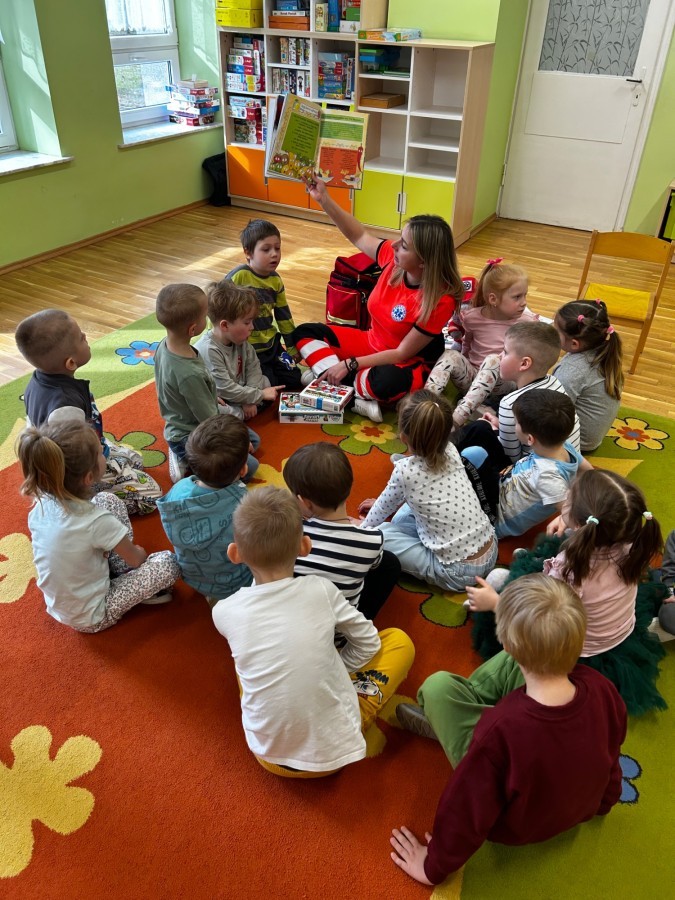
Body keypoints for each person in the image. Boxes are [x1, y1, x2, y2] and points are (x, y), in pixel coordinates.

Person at [390, 575, 627, 886]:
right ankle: (464, 707)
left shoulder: (501, 731)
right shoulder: (604, 689)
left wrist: (433, 866)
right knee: (524, 658)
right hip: (576, 804)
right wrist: (604, 802)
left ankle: (450, 720)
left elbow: (466, 808)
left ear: (508, 644)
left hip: (515, 824)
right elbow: (611, 755)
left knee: (437, 688)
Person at [212, 486, 415, 777]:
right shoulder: (321, 589)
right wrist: (337, 669)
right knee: (399, 642)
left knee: (248, 656)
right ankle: (359, 711)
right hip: (334, 754)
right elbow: (369, 643)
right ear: (305, 546)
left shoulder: (223, 611)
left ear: (235, 553)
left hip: (266, 753)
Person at [467, 468, 667, 715]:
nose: (565, 498)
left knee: (499, 579)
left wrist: (495, 603)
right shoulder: (629, 543)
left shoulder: (567, 570)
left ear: (583, 523)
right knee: (552, 551)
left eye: (568, 497)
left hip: (573, 648)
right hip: (616, 636)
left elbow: (542, 617)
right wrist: (569, 522)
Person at [294, 177, 464, 423]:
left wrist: (350, 364)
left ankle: (331, 379)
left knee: (387, 382)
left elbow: (401, 353)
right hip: (369, 342)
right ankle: (352, 393)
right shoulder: (393, 261)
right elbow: (359, 235)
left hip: (402, 362)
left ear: (424, 261)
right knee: (305, 332)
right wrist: (324, 200)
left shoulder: (441, 299)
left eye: (404, 245)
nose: (394, 245)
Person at [17, 420, 180, 632]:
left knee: (107, 499)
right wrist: (137, 554)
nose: (105, 453)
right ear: (88, 477)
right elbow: (137, 558)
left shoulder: (40, 504)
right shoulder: (95, 520)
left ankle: (119, 569)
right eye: (100, 452)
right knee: (169, 564)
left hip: (63, 604)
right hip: (94, 614)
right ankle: (127, 578)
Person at [15, 309, 161, 515]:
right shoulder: (65, 409)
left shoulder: (40, 379)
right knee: (152, 495)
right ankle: (85, 504)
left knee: (136, 460)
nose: (86, 336)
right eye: (81, 338)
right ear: (71, 362)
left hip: (91, 447)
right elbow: (73, 462)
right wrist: (95, 469)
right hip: (77, 471)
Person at [359, 390, 497, 591]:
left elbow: (379, 512)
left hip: (458, 572)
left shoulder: (405, 472)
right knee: (401, 517)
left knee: (378, 535)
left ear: (403, 437)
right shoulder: (451, 449)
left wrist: (361, 531)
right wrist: (384, 504)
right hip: (490, 547)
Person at [153, 283, 261, 483]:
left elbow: (177, 387)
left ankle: (189, 454)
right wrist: (234, 442)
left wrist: (209, 395)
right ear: (193, 329)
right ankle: (183, 454)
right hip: (191, 432)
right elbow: (210, 421)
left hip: (197, 416)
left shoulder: (166, 345)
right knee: (248, 467)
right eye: (205, 316)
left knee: (253, 440)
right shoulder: (188, 373)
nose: (209, 319)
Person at [283, 442, 401, 620]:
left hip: (295, 622)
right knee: (390, 563)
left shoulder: (288, 532)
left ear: (305, 502)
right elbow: (374, 565)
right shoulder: (373, 540)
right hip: (342, 630)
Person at [426, 259, 538, 427]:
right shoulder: (472, 317)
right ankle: (424, 404)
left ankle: (456, 420)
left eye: (524, 295)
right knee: (450, 354)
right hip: (473, 379)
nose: (524, 302)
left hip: (504, 382)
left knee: (493, 360)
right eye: (517, 297)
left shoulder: (527, 323)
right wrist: (462, 362)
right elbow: (467, 344)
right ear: (493, 299)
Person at [156, 414, 253, 607]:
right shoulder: (246, 504)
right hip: (236, 585)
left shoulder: (178, 490)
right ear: (243, 470)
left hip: (194, 578)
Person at [462, 389, 587, 538]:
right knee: (482, 430)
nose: (513, 425)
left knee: (472, 454)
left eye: (515, 423)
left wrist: (565, 519)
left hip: (494, 517)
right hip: (504, 482)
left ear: (530, 439)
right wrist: (500, 427)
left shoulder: (548, 478)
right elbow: (591, 473)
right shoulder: (564, 446)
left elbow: (573, 517)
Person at [457, 321, 581, 468]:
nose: (499, 356)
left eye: (505, 352)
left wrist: (495, 430)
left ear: (524, 364)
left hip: (533, 474)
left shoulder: (510, 404)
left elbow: (512, 458)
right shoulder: (555, 382)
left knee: (480, 428)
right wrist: (502, 426)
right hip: (568, 468)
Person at [195, 280, 283, 474]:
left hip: (240, 392)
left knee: (266, 381)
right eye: (247, 322)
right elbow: (224, 388)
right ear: (225, 325)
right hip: (221, 397)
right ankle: (241, 415)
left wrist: (252, 395)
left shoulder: (241, 340)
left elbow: (254, 367)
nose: (252, 327)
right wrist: (258, 396)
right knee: (218, 410)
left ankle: (244, 412)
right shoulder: (209, 349)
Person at [225, 218, 304, 390]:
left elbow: (283, 316)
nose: (274, 254)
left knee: (294, 379)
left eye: (277, 248)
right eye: (266, 249)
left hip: (272, 345)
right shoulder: (238, 277)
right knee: (268, 383)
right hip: (247, 349)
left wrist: (291, 347)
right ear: (248, 253)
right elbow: (218, 310)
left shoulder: (276, 280)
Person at [552, 299, 623, 452]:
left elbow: (553, 409)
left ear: (574, 344)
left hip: (577, 442)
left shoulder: (573, 370)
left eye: (556, 331)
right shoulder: (603, 350)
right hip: (592, 437)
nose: (552, 331)